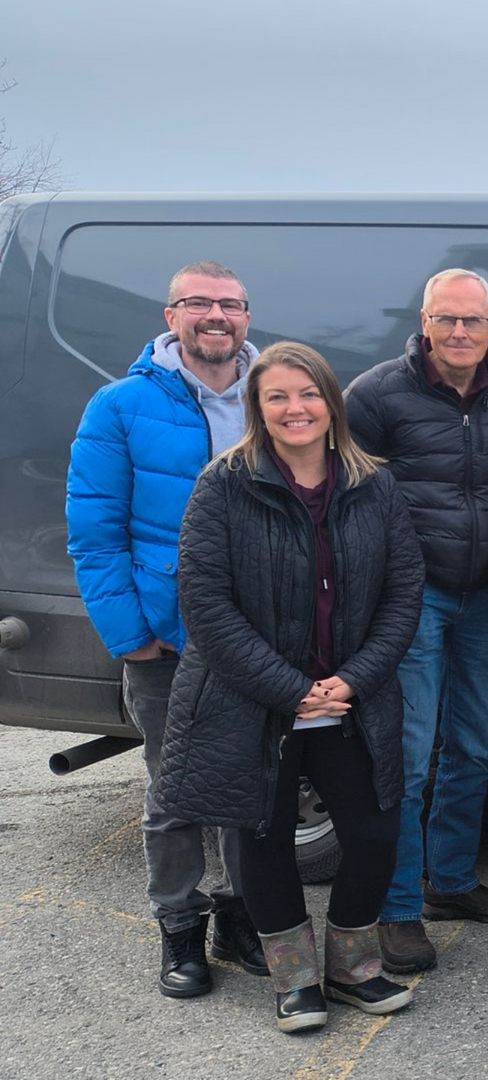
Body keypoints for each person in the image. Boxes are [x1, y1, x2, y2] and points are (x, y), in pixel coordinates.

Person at [155, 342, 424, 1033]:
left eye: (307, 394)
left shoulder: (375, 485)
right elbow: (206, 605)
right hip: (254, 704)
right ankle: (296, 982)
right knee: (262, 841)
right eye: (277, 396)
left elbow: (403, 594)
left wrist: (353, 681)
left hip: (350, 703)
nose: (294, 408)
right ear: (258, 408)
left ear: (331, 403)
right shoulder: (223, 484)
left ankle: (352, 966)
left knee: (372, 834)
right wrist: (289, 688)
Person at [66, 261, 268, 997]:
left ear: (248, 316)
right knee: (174, 793)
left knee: (252, 791)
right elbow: (95, 534)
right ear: (171, 313)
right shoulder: (119, 407)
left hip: (255, 641)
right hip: (167, 640)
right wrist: (130, 636)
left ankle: (239, 918)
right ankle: (179, 932)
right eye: (200, 303)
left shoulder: (276, 398)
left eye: (230, 304)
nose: (216, 315)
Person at [345, 269, 488, 973]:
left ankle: (450, 882)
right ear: (424, 322)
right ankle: (398, 907)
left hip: (487, 595)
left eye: (473, 321)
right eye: (446, 320)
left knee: (474, 747)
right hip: (412, 598)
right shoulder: (374, 395)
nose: (459, 333)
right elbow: (338, 496)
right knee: (409, 754)